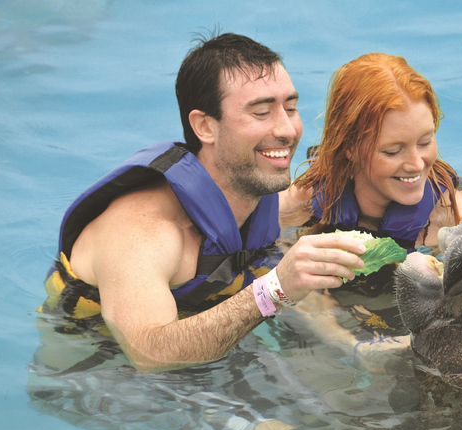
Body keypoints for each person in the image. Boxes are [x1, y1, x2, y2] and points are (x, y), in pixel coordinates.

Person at [38, 33, 367, 373]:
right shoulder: (141, 235)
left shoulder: (257, 198)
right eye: (262, 112)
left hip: (211, 358)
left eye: (291, 108)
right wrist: (275, 289)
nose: (287, 129)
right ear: (205, 126)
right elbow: (151, 356)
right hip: (104, 374)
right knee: (278, 428)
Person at [280, 53, 462, 248]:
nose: (416, 165)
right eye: (392, 151)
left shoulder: (457, 217)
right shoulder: (300, 206)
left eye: (425, 142)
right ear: (350, 147)